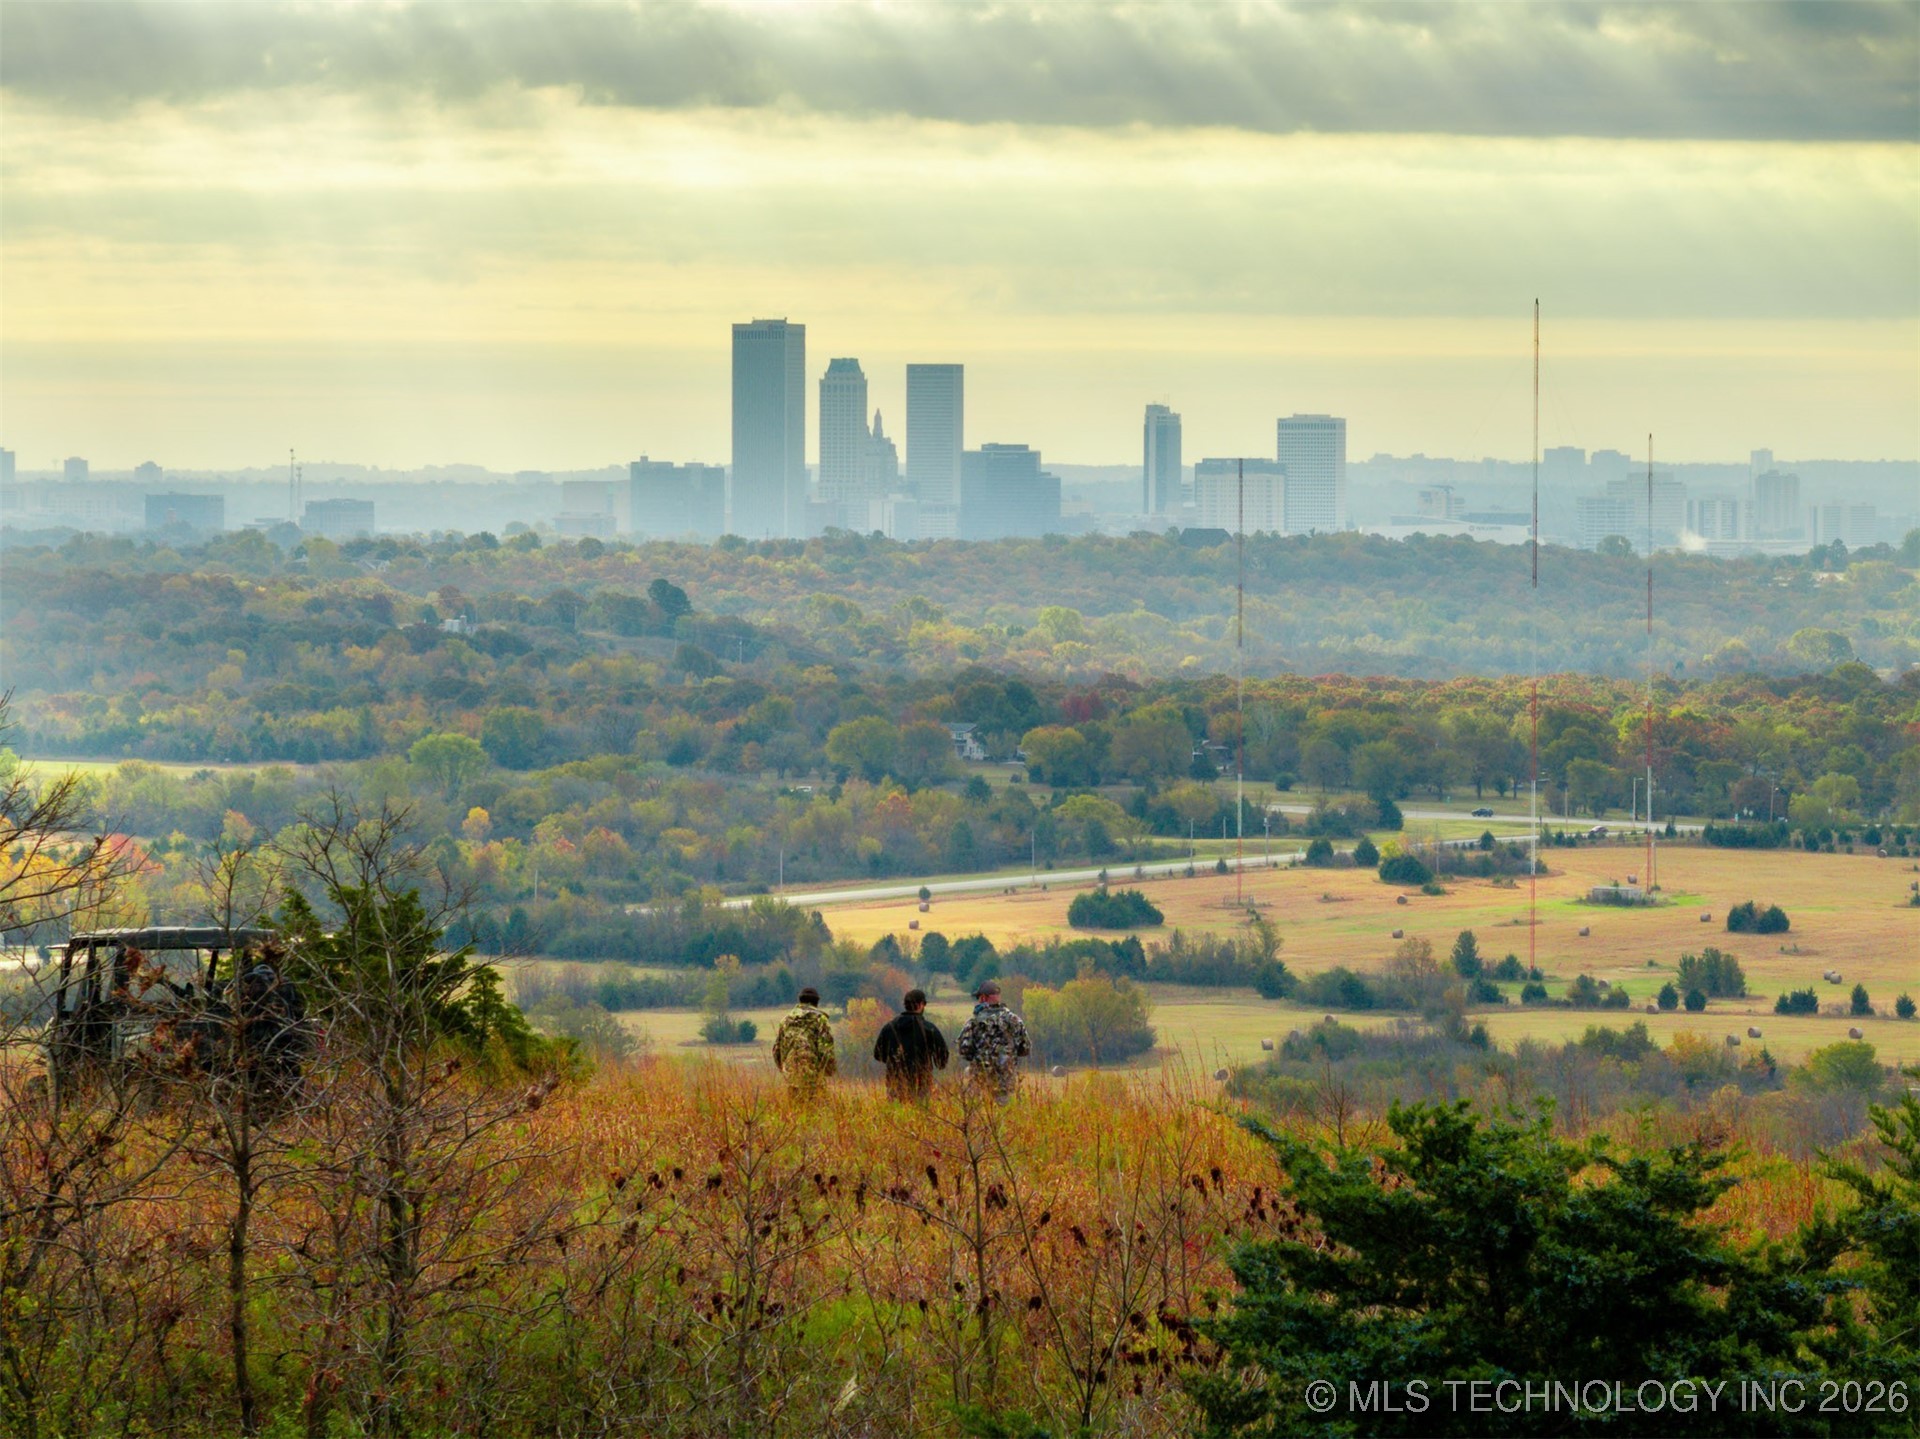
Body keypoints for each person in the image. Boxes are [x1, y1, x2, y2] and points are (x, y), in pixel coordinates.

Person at [955, 979, 1029, 1101]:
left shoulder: (973, 1022)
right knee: (1006, 1115)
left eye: (979, 998)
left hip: (980, 1083)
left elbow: (964, 1050)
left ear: (983, 998)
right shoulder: (1015, 1020)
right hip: (1006, 1082)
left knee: (979, 1116)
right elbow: (1025, 1049)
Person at [872, 988, 948, 1102]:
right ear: (921, 1004)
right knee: (920, 1116)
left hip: (895, 1083)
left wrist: (894, 1061)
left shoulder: (889, 1028)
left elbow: (878, 1055)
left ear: (905, 1005)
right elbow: (942, 1058)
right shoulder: (929, 1029)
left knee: (897, 1116)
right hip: (921, 1084)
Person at [772, 986, 836, 1099]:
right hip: (814, 1077)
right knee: (818, 1110)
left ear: (800, 1000)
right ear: (816, 1002)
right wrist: (828, 1071)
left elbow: (776, 1051)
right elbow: (826, 1051)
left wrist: (785, 1069)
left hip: (791, 1077)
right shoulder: (820, 1019)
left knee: (794, 1112)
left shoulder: (786, 1021)